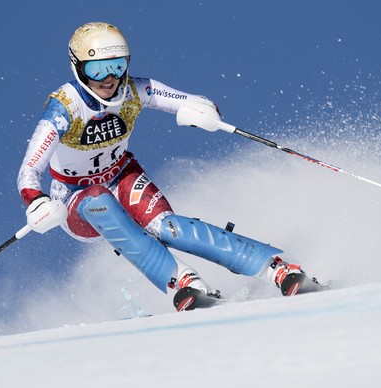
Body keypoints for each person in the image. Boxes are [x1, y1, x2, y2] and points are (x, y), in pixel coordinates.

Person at [17, 22, 324, 311]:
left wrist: (203, 111)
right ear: (79, 68)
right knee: (98, 199)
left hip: (122, 175)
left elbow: (189, 101)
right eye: (97, 69)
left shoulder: (136, 91)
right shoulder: (66, 107)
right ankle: (183, 281)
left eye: (117, 66)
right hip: (74, 197)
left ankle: (277, 269)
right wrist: (36, 201)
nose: (109, 78)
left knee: (168, 228)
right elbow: (30, 167)